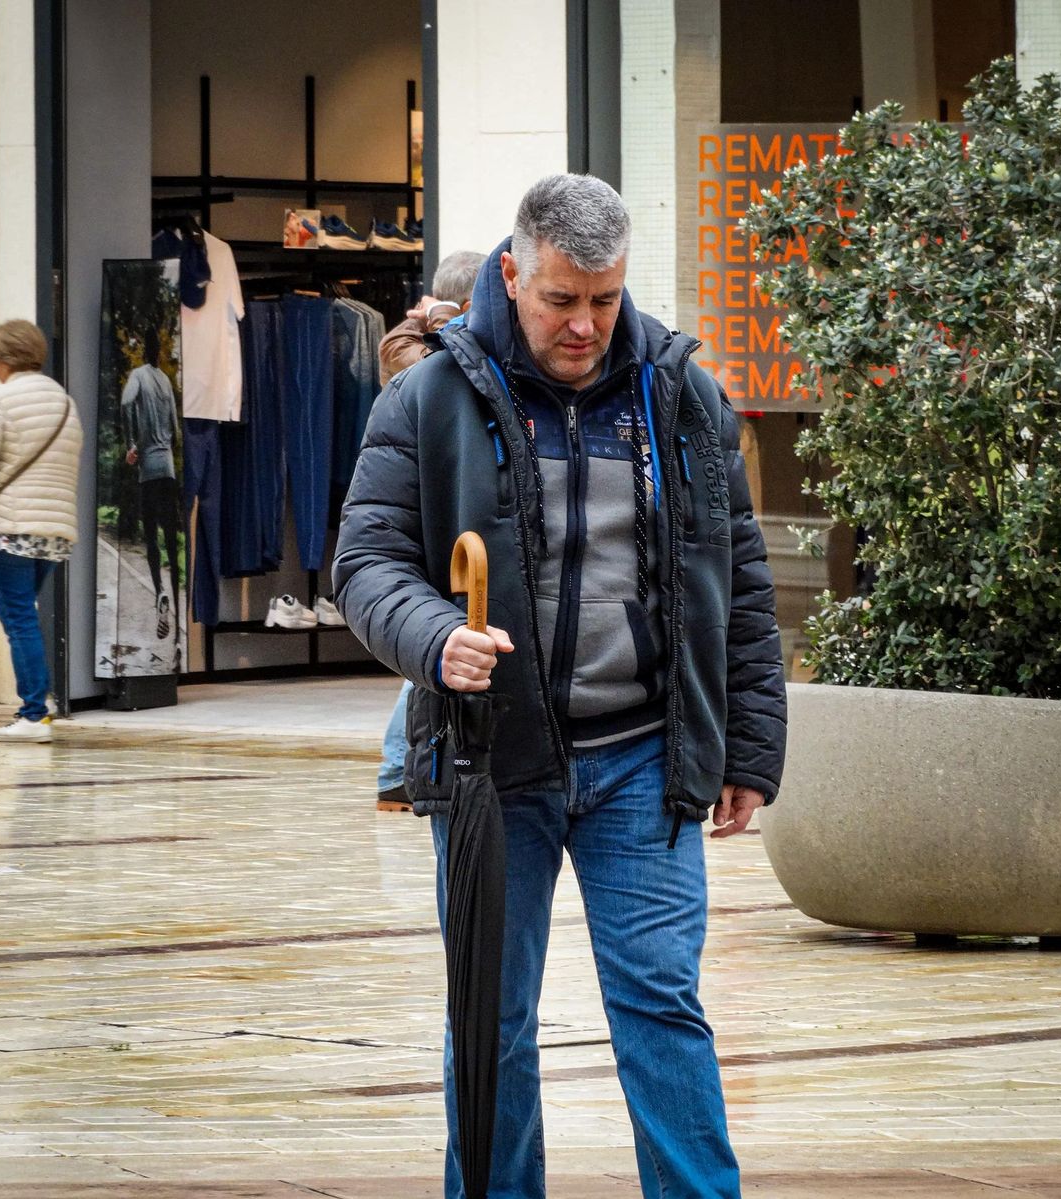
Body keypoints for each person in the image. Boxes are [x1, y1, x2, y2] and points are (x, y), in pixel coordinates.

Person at [334, 174, 787, 1198]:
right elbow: (365, 562)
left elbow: (740, 578)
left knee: (663, 1005)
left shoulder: (682, 395)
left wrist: (749, 748)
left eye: (604, 299)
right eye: (560, 299)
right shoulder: (429, 398)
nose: (584, 324)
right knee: (491, 1018)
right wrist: (435, 635)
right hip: (495, 761)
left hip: (644, 756)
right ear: (511, 274)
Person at [375, 248, 487, 810]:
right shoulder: (416, 357)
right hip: (429, 521)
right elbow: (434, 366)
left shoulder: (414, 341)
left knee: (439, 647)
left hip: (440, 518)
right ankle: (396, 768)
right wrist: (440, 319)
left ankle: (396, 769)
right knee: (437, 648)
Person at [0, 320, 84, 743]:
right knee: (25, 616)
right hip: (54, 532)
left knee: (19, 621)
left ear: (3, 360)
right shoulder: (64, 403)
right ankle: (37, 708)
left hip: (10, 529)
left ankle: (33, 714)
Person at [121, 329, 183, 640]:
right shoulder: (166, 382)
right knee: (171, 539)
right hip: (168, 468)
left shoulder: (138, 376)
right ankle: (177, 615)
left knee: (151, 538)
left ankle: (160, 592)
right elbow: (176, 430)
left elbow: (126, 404)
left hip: (147, 470)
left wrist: (131, 444)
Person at [378, 248, 484, 385]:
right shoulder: (397, 344)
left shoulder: (474, 332)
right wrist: (442, 310)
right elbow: (448, 366)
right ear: (469, 308)